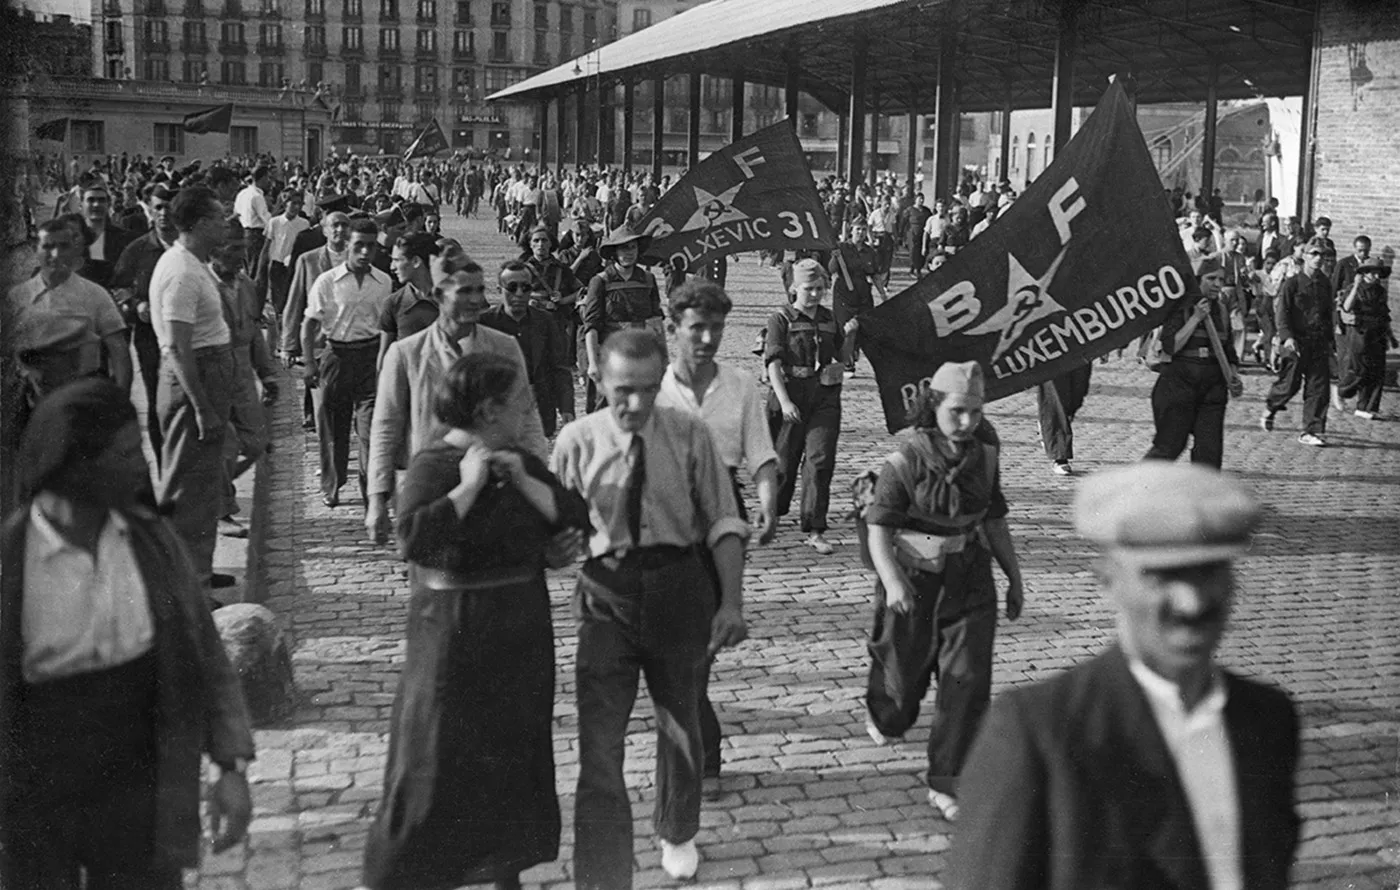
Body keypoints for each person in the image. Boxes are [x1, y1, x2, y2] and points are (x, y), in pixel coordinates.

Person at [949, 462, 1299, 890]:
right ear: (1108, 582)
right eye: (1162, 575)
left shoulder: (1267, 720)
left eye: (1209, 572)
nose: (1192, 603)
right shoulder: (1039, 732)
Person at [0, 378, 256, 889]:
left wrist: (231, 766)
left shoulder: (150, 543)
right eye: (125, 452)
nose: (142, 463)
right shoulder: (13, 559)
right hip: (38, 776)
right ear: (73, 465)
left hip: (140, 767)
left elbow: (203, 652)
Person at [361, 354, 589, 890]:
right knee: (435, 756)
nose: (526, 411)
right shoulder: (435, 465)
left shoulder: (520, 461)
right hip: (452, 634)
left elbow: (575, 518)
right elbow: (413, 538)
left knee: (511, 753)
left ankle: (503, 871)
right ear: (488, 410)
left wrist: (530, 491)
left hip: (519, 629)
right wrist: (467, 487)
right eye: (517, 402)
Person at [551, 329, 749, 889]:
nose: (633, 403)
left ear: (662, 379)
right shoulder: (576, 440)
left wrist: (730, 602)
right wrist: (553, 546)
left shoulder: (689, 434)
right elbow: (555, 526)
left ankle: (677, 830)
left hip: (678, 587)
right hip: (606, 594)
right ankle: (602, 863)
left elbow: (723, 521)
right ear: (599, 380)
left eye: (645, 389)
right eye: (620, 390)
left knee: (680, 721)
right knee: (600, 734)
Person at [862, 361, 1024, 823]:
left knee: (967, 681)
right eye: (957, 411)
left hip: (969, 576)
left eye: (976, 411)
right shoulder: (904, 461)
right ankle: (886, 711)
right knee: (900, 681)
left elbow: (994, 517)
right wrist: (893, 582)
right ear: (933, 405)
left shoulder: (986, 450)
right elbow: (879, 530)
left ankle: (949, 780)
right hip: (912, 582)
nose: (968, 422)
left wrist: (1013, 576)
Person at [655, 279, 778, 782]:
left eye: (717, 328)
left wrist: (768, 502)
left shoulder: (741, 384)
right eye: (697, 328)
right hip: (664, 516)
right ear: (672, 329)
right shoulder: (653, 388)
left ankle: (698, 755)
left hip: (722, 513)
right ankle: (700, 747)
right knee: (675, 645)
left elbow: (760, 450)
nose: (707, 338)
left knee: (701, 642)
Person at [366, 265, 548, 544]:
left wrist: (537, 478)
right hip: (430, 487)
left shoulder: (504, 347)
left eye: (479, 290)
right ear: (438, 295)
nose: (475, 300)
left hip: (495, 484)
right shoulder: (406, 353)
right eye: (464, 291)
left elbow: (528, 417)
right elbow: (386, 426)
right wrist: (377, 497)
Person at [147, 186, 235, 591]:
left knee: (201, 486)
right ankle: (187, 587)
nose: (225, 224)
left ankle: (197, 569)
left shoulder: (192, 263)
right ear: (199, 224)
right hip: (193, 380)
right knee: (188, 490)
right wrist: (201, 407)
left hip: (206, 373)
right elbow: (179, 347)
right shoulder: (181, 272)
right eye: (218, 218)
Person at [764, 259, 858, 555]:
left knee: (820, 460)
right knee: (784, 460)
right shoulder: (781, 318)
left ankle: (815, 527)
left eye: (820, 289)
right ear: (794, 288)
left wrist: (851, 335)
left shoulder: (830, 319)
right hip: (789, 394)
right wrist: (785, 401)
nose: (816, 294)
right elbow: (773, 365)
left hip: (824, 396)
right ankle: (773, 515)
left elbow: (842, 359)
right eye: (809, 289)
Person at [303, 218, 393, 508]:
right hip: (336, 357)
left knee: (370, 430)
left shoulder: (384, 282)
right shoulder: (327, 281)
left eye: (371, 246)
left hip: (370, 358)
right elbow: (309, 325)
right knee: (333, 428)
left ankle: (371, 492)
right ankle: (332, 484)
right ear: (348, 246)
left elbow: (385, 326)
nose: (365, 253)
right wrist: (309, 364)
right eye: (359, 246)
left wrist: (383, 362)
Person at [1144, 257, 1244, 468]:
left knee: (1209, 452)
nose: (1218, 284)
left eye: (1221, 279)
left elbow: (1229, 353)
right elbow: (1172, 346)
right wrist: (1196, 318)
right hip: (1178, 386)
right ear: (1197, 280)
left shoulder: (1222, 310)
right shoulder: (1178, 307)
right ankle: (1134, 491)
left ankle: (1203, 498)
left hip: (1212, 390)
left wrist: (1233, 375)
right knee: (1169, 447)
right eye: (1211, 278)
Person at [480, 260, 575, 437]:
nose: (519, 293)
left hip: (538, 408)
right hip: (497, 412)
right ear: (499, 289)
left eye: (525, 288)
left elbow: (559, 368)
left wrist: (566, 408)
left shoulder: (546, 321)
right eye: (512, 287)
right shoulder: (485, 323)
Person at [581, 226, 663, 412]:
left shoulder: (648, 279)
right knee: (604, 406)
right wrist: (593, 363)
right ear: (614, 252)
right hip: (610, 354)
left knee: (641, 406)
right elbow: (591, 326)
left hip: (640, 352)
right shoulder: (600, 281)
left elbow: (656, 321)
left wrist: (662, 359)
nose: (629, 253)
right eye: (623, 248)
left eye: (632, 247)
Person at [1262, 239, 1334, 447]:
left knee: (1319, 388)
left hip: (1318, 341)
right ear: (1304, 256)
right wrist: (1287, 337)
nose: (1318, 258)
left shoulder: (1325, 284)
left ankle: (1311, 430)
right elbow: (1282, 311)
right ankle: (1271, 406)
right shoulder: (1292, 283)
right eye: (1314, 254)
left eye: (1322, 255)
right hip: (1296, 340)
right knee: (1289, 384)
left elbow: (1327, 314)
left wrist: (1330, 343)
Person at [1334, 257, 1395, 420]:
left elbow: (1384, 314)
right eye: (1373, 273)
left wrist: (1391, 336)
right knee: (1360, 370)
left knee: (1377, 372)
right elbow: (1346, 307)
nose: (1376, 277)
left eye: (1378, 274)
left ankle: (1366, 407)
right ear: (1365, 273)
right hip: (1359, 333)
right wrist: (1355, 285)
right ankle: (1341, 390)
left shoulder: (1380, 291)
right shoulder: (1354, 288)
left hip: (1377, 333)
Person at [828, 218, 885, 377]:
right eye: (858, 229)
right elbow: (832, 269)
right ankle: (847, 363)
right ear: (851, 230)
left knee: (862, 328)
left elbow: (874, 274)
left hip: (863, 294)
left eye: (863, 230)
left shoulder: (869, 252)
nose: (860, 233)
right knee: (845, 329)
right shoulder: (842, 248)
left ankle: (852, 352)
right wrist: (834, 256)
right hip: (843, 294)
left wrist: (883, 295)